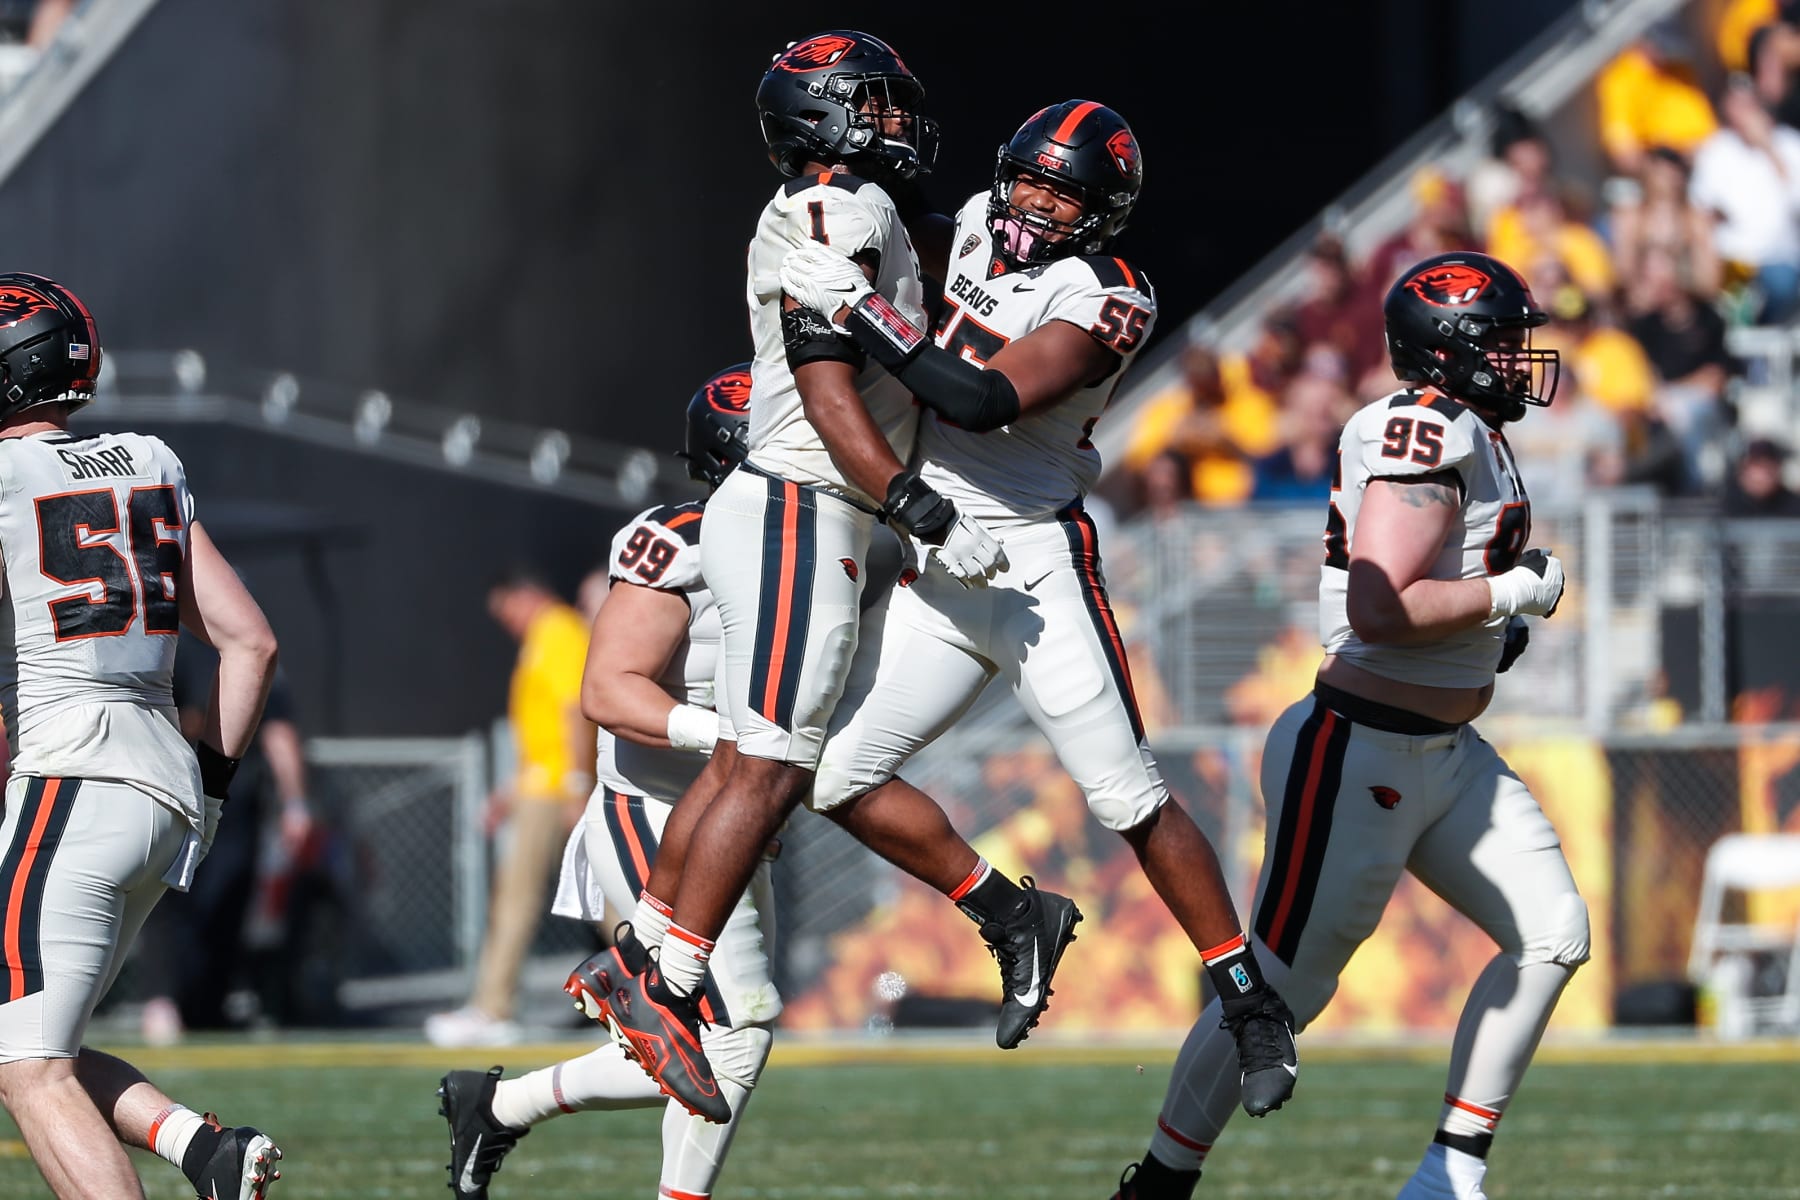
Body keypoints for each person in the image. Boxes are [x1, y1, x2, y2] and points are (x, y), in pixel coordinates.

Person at [585, 32, 1077, 1128]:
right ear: (824, 114)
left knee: (759, 753)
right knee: (770, 761)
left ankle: (648, 953)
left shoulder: (853, 208)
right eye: (877, 106)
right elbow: (824, 382)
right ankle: (664, 986)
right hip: (810, 500)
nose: (899, 123)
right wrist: (908, 499)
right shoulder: (836, 211)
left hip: (794, 504)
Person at [775, 99, 1301, 1117]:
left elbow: (979, 398)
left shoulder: (1108, 291)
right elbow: (892, 228)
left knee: (1126, 797)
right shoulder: (969, 217)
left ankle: (1248, 1002)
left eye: (1061, 192)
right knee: (834, 775)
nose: (1033, 203)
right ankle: (1013, 915)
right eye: (1027, 179)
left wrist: (863, 309)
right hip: (939, 560)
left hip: (1029, 564)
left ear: (1102, 213)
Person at [1109, 253, 1587, 1200]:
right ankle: (1159, 1186)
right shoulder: (1427, 430)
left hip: (1443, 754)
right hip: (1358, 750)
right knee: (1284, 990)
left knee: (1553, 933)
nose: (1517, 357)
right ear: (1449, 352)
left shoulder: (1466, 428)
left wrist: (1489, 634)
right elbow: (1377, 606)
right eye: (1498, 340)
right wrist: (1509, 591)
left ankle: (1447, 1176)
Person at [440, 365, 782, 1200]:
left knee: (720, 1036)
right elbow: (607, 691)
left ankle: (501, 1104)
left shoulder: (826, 543)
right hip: (655, 812)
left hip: (736, 815)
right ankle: (507, 1107)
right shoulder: (682, 540)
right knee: (733, 1036)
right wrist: (736, 739)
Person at [0, 272, 284, 1198]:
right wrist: (209, 788)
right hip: (161, 785)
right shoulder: (146, 461)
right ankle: (201, 1148)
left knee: (29, 1068)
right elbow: (250, 642)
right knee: (38, 1036)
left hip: (66, 775)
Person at [424, 569, 595, 1047]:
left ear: (528, 594)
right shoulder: (545, 636)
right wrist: (509, 793)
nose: (508, 623)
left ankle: (492, 1008)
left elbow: (574, 710)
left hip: (557, 786)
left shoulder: (558, 630)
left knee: (517, 895)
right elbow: (541, 732)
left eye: (507, 610)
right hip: (543, 784)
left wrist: (579, 784)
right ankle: (674, 983)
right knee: (605, 892)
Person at [139, 632, 313, 1042]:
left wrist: (296, 804)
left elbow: (278, 731)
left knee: (226, 902)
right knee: (165, 899)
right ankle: (163, 998)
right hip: (174, 789)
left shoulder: (255, 650)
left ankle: (208, 1005)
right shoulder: (169, 647)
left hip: (232, 798)